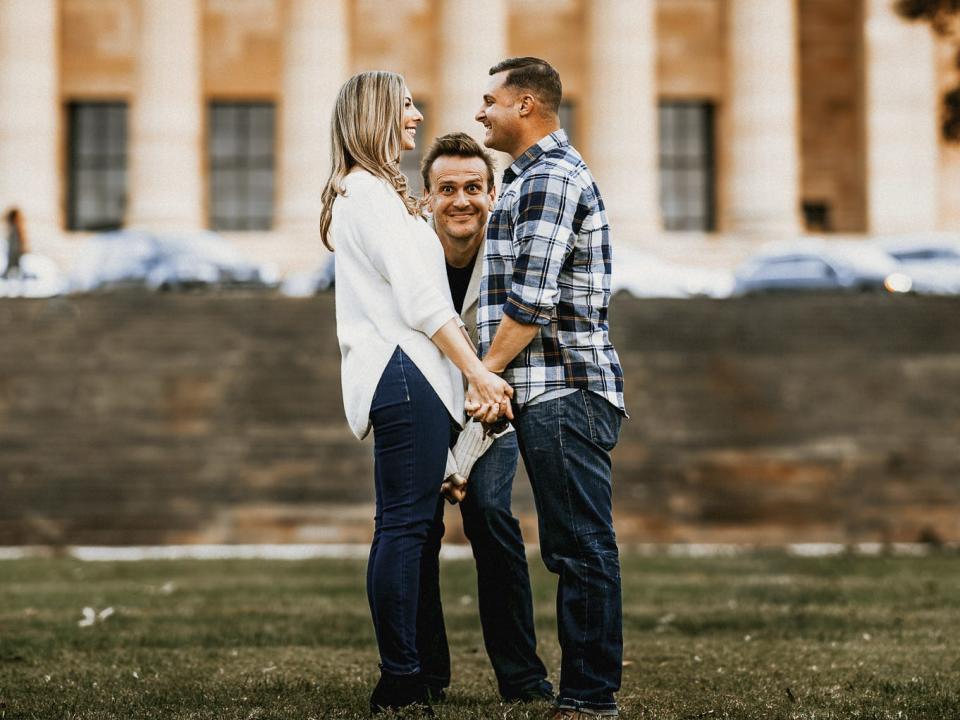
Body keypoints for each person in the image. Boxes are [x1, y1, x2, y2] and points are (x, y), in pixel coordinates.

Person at [318, 70, 513, 714]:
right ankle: (401, 678)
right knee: (403, 526)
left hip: (413, 378)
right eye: (404, 106)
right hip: (402, 373)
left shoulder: (373, 193)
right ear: (375, 112)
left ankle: (425, 671)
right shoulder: (368, 193)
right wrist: (479, 373)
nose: (414, 114)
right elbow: (423, 300)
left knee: (419, 527)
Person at [473, 57, 628, 719]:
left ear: (527, 104)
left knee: (581, 546)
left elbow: (532, 301)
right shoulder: (531, 178)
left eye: (490, 100)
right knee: (573, 545)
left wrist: (485, 372)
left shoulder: (549, 179)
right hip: (548, 388)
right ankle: (586, 693)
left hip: (563, 386)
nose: (480, 112)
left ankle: (591, 698)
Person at [414, 132, 553, 703]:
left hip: (491, 409)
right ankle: (421, 675)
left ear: (493, 195)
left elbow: (521, 329)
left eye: (474, 187)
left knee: (492, 516)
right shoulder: (408, 252)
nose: (461, 200)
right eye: (447, 189)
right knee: (414, 531)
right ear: (426, 199)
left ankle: (521, 679)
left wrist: (481, 413)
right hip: (421, 403)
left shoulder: (509, 250)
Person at [3, 208, 28, 279]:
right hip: (15, 257)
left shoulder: (15, 231)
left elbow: (14, 248)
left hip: (16, 258)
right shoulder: (15, 230)